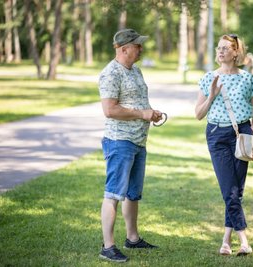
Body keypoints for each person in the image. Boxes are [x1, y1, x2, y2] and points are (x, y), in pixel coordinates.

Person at [98, 28, 163, 263]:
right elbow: (110, 109)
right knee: (113, 193)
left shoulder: (135, 70)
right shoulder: (110, 74)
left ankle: (132, 239)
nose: (141, 48)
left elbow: (137, 103)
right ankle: (108, 246)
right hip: (120, 142)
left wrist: (150, 114)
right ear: (124, 49)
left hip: (138, 141)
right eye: (137, 45)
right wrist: (142, 113)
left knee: (133, 194)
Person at [195, 34, 253, 256]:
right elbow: (198, 114)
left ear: (236, 53)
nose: (220, 51)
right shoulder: (208, 78)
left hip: (242, 133)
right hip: (217, 135)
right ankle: (244, 241)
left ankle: (225, 241)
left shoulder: (248, 79)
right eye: (218, 48)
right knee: (230, 190)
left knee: (236, 191)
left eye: (226, 48)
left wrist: (251, 133)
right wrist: (212, 95)